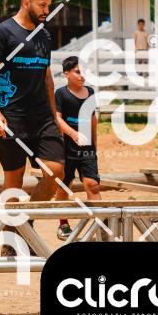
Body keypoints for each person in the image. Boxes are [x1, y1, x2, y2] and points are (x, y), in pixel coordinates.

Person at [0, 0, 64, 257]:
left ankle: (24, 223)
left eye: (48, 4)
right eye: (42, 4)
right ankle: (10, 242)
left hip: (42, 118)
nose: (47, 10)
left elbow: (47, 77)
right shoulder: (2, 32)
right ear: (26, 2)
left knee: (55, 172)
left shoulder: (44, 35)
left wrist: (55, 115)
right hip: (11, 118)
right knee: (13, 183)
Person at [53, 56, 101, 240]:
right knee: (64, 185)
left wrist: (94, 145)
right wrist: (73, 134)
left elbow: (93, 119)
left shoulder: (90, 93)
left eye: (84, 72)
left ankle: (100, 224)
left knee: (92, 184)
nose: (82, 76)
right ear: (66, 74)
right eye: (78, 72)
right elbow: (57, 118)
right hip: (65, 148)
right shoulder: (60, 94)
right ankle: (63, 224)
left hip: (87, 148)